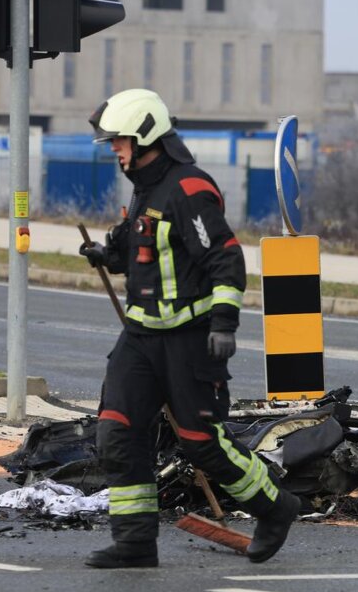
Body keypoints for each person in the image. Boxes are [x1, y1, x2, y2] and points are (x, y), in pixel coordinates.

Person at [79, 89, 302, 567]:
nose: (113, 150)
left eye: (118, 141)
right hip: (139, 339)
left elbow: (225, 258)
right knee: (118, 435)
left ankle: (276, 507)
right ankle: (135, 543)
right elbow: (140, 248)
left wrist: (224, 324)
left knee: (202, 445)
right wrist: (108, 254)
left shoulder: (188, 190)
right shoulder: (144, 187)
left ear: (143, 137)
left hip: (190, 340)